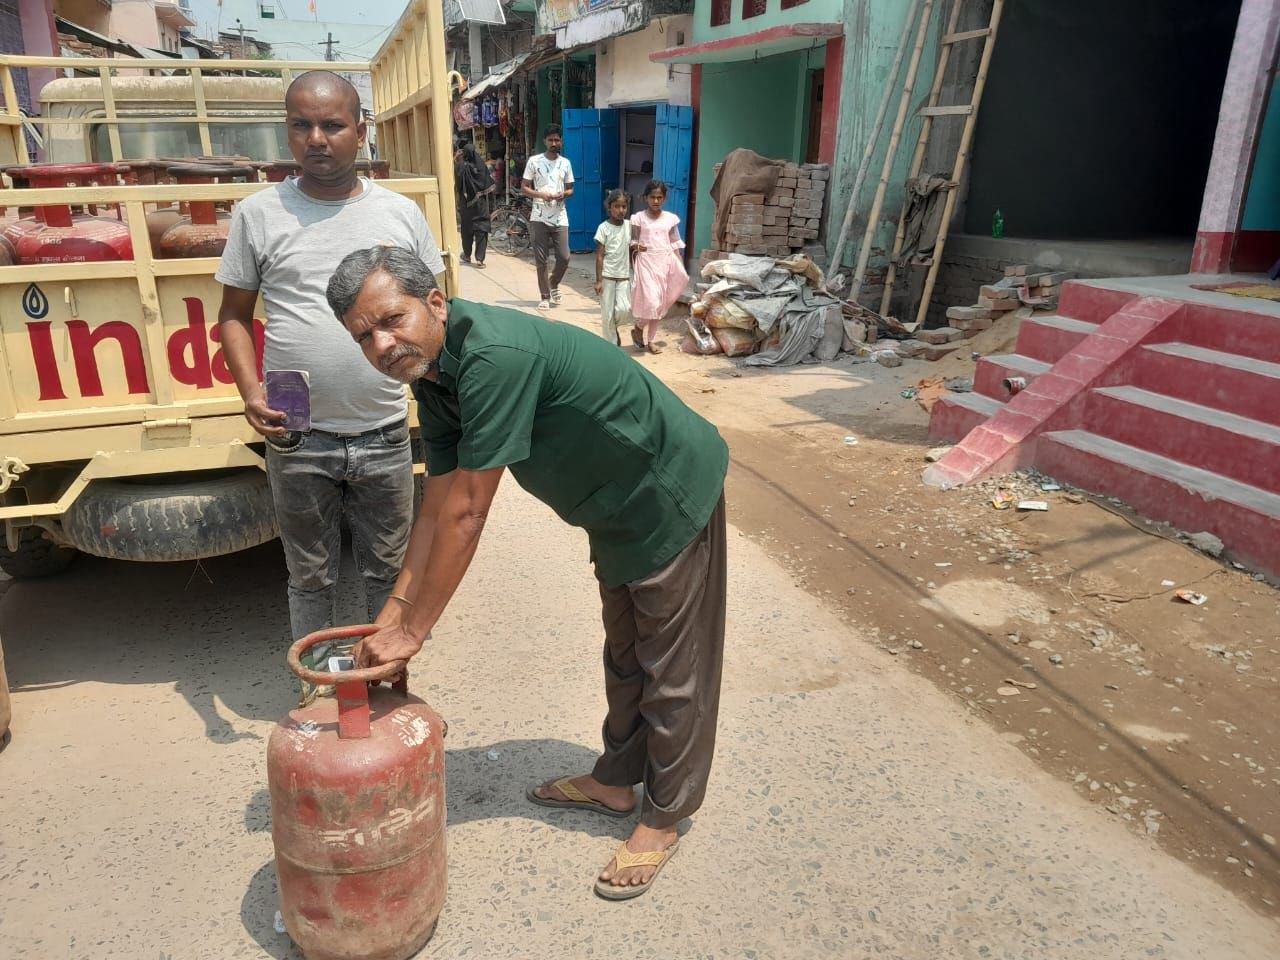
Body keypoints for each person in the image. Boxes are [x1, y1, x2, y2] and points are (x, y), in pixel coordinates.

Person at [325, 245, 728, 901]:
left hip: (665, 490)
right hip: (611, 509)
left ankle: (665, 815)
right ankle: (615, 781)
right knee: (627, 653)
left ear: (435, 302)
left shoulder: (493, 357)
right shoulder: (435, 376)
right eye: (363, 337)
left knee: (672, 668)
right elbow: (436, 507)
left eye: (392, 320)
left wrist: (415, 632)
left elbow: (467, 514)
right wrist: (392, 614)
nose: (382, 345)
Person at [215, 71, 445, 701]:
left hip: (383, 430)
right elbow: (233, 316)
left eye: (332, 125)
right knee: (309, 576)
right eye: (301, 125)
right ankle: (316, 695)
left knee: (388, 574)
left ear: (360, 130)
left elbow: (434, 312)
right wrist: (250, 392)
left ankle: (385, 687)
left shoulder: (399, 214)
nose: (316, 139)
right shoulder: (259, 214)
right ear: (287, 131)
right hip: (296, 432)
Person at [629, 179, 689, 355]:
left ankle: (651, 340)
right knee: (652, 302)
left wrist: (680, 266)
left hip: (665, 262)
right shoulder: (638, 218)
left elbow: (675, 244)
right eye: (652, 197)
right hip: (646, 262)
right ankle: (639, 327)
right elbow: (633, 240)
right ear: (645, 198)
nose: (656, 201)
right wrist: (637, 246)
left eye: (659, 197)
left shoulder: (670, 219)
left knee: (661, 304)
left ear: (664, 198)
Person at [522, 123, 574, 310]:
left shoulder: (565, 163)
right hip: (539, 216)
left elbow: (571, 189)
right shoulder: (534, 161)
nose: (554, 143)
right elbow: (524, 187)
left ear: (561, 141)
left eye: (557, 140)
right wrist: (540, 194)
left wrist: (563, 194)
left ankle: (554, 282)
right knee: (541, 259)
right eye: (550, 140)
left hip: (560, 216)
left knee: (564, 257)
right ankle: (544, 296)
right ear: (545, 141)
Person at [593, 189, 632, 345]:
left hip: (623, 276)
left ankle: (614, 329)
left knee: (624, 309)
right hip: (607, 276)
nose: (620, 210)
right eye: (616, 206)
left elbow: (633, 247)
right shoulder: (603, 228)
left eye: (624, 206)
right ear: (609, 207)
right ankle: (612, 345)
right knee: (607, 314)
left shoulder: (630, 226)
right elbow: (600, 256)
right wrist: (598, 281)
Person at [455, 143, 493, 268]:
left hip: (465, 204)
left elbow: (457, 183)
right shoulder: (481, 165)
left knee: (466, 230)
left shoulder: (460, 166)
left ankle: (467, 255)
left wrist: (456, 159)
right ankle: (480, 259)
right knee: (482, 229)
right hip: (480, 204)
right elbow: (488, 184)